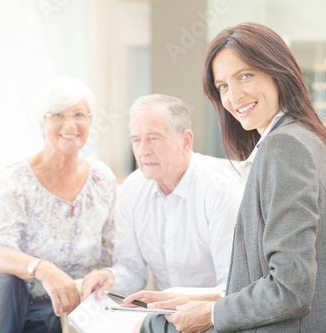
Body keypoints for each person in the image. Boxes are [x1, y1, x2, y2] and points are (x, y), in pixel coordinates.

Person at [127, 22, 326, 333]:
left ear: (278, 71)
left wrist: (213, 314)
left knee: (149, 328)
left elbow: (290, 289)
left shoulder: (284, 146)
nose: (234, 96)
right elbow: (275, 278)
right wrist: (196, 302)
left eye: (245, 76)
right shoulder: (306, 137)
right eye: (222, 86)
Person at [0, 78, 117, 333]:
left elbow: (108, 257)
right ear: (42, 124)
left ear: (90, 121)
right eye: (58, 114)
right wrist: (44, 269)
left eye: (79, 114)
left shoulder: (102, 180)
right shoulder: (17, 179)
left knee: (52, 319)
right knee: (9, 285)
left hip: (44, 304)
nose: (70, 124)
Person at [81, 94, 244, 301]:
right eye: (136, 140)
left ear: (186, 141)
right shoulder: (131, 189)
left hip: (215, 316)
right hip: (161, 316)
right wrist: (111, 277)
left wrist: (176, 301)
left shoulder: (221, 190)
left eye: (153, 138)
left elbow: (232, 287)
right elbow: (132, 270)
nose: (143, 151)